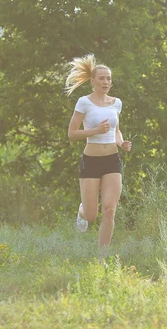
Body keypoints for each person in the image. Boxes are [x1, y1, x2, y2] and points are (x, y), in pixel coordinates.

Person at [65, 54, 132, 256]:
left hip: (112, 161)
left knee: (110, 210)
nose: (106, 82)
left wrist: (121, 143)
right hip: (91, 162)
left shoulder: (116, 103)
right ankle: (81, 211)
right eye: (102, 78)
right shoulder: (84, 103)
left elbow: (116, 130)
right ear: (92, 81)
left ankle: (102, 257)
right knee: (92, 215)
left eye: (109, 78)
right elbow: (72, 134)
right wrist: (94, 131)